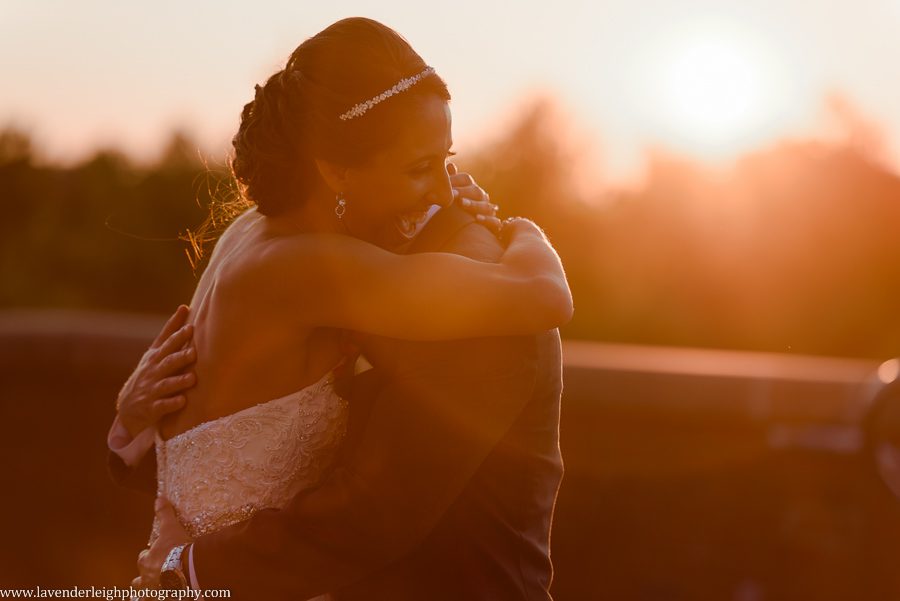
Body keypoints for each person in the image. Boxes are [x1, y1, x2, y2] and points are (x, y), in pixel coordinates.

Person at [108, 16, 571, 599]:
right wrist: (523, 230)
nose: (445, 189)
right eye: (418, 168)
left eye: (445, 160)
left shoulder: (251, 232)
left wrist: (130, 423)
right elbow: (547, 297)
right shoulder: (306, 269)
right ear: (334, 170)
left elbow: (214, 423)